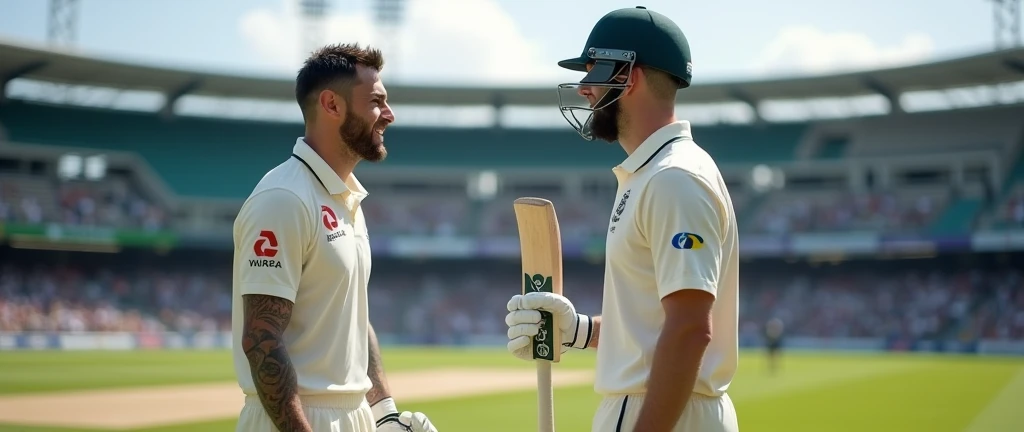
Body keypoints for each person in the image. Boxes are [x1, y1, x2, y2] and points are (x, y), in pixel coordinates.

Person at [504, 6, 740, 432]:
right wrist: (579, 331)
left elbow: (689, 329)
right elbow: (653, 325)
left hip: (661, 410)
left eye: (592, 71)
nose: (583, 89)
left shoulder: (674, 178)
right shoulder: (652, 174)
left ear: (627, 77)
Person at [231, 43, 438, 432]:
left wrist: (385, 414)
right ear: (331, 105)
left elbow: (355, 320)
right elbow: (262, 338)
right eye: (377, 102)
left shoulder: (346, 199)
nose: (389, 115)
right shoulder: (284, 198)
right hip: (293, 417)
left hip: (353, 414)